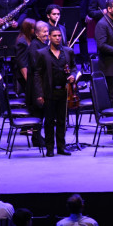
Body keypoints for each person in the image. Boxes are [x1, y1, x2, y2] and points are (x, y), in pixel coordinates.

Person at [34, 26, 76, 157]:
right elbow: (37, 74)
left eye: (59, 36)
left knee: (62, 121)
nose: (58, 38)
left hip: (65, 92)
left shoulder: (68, 52)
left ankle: (61, 147)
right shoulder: (42, 53)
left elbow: (74, 67)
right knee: (49, 121)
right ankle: (50, 148)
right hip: (49, 92)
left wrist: (73, 75)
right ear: (49, 37)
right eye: (55, 36)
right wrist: (39, 93)